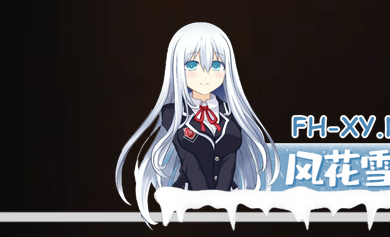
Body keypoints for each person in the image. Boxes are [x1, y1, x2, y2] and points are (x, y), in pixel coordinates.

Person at [115, 21, 275, 219]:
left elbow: (230, 160)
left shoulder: (234, 113)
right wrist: (206, 204)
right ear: (177, 68)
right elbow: (189, 161)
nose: (205, 76)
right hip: (188, 202)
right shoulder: (173, 114)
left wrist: (225, 201)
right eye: (192, 65)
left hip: (228, 203)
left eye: (216, 65)